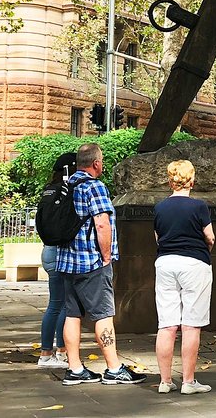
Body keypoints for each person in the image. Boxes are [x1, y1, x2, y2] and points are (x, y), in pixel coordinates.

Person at [56, 143, 146, 386]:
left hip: (67, 261)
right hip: (91, 262)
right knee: (103, 314)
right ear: (96, 163)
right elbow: (102, 224)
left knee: (72, 314)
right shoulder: (93, 186)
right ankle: (114, 368)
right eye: (102, 161)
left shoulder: (67, 186)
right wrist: (106, 257)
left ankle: (74, 369)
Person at [154, 160, 215, 395]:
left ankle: (165, 381)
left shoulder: (159, 207)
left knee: (167, 325)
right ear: (191, 180)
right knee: (191, 325)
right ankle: (188, 381)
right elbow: (209, 237)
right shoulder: (199, 207)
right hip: (194, 264)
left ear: (170, 181)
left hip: (165, 263)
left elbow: (158, 238)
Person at [37, 152, 77, 369]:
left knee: (54, 304)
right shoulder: (65, 190)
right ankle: (61, 352)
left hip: (48, 251)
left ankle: (46, 352)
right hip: (61, 251)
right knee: (65, 306)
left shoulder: (48, 190)